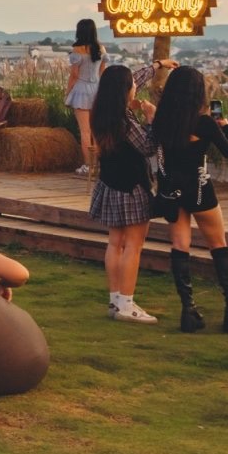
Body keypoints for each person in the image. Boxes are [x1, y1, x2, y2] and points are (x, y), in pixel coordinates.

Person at [149, 66, 228, 333]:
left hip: (172, 193)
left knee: (180, 246)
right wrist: (226, 127)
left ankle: (188, 311)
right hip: (200, 190)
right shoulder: (205, 123)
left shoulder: (161, 121)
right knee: (218, 245)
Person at [88, 63, 160, 323]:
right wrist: (152, 119)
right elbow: (148, 147)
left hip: (109, 184)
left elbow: (131, 79)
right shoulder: (125, 121)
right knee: (134, 246)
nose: (135, 88)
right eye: (132, 86)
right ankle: (128, 305)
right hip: (132, 188)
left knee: (115, 244)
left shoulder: (101, 113)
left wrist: (157, 66)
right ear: (124, 91)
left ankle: (116, 301)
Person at [67, 17, 106, 176]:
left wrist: (67, 92)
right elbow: (103, 71)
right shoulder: (101, 49)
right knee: (97, 131)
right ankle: (98, 165)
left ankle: (88, 166)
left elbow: (74, 75)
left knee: (85, 132)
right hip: (97, 90)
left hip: (81, 90)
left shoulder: (77, 50)